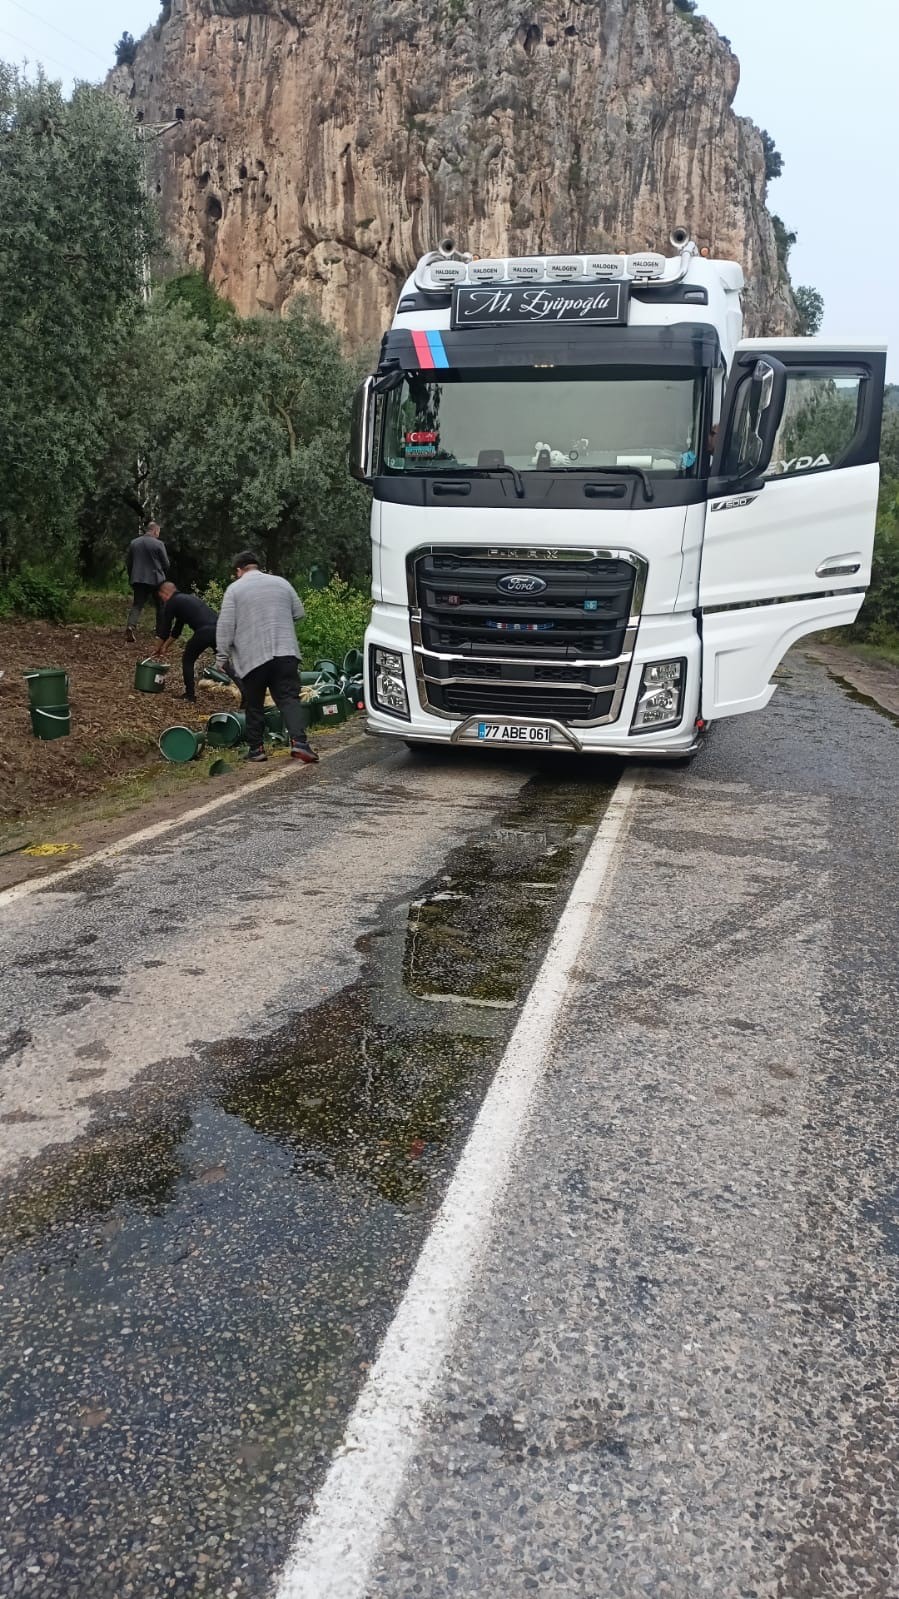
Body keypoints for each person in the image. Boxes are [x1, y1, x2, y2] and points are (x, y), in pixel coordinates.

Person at [215, 551, 318, 764]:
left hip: (253, 657)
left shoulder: (235, 590)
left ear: (238, 570)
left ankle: (257, 749)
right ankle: (300, 743)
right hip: (285, 652)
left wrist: (221, 658)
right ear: (257, 566)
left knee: (254, 703)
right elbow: (299, 613)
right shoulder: (281, 583)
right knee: (289, 698)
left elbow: (225, 627)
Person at [152, 582, 239, 702]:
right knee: (223, 662)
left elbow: (164, 630)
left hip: (204, 631)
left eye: (161, 596)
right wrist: (165, 646)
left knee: (188, 660)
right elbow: (177, 630)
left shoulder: (172, 603)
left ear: (165, 593)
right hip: (219, 629)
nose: (162, 600)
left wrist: (157, 648)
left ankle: (190, 695)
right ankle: (246, 692)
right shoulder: (184, 600)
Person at [125, 522, 170, 641]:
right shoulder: (159, 544)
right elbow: (166, 564)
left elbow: (129, 562)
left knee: (137, 604)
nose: (158, 534)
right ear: (155, 531)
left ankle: (130, 626)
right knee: (160, 605)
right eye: (159, 532)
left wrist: (132, 576)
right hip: (156, 580)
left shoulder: (134, 543)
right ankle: (160, 633)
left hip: (138, 579)